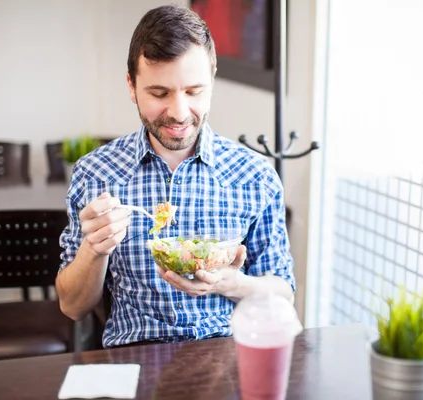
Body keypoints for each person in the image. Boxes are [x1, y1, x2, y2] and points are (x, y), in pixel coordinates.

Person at [55, 4, 295, 348]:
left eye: (194, 91)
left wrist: (230, 283)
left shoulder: (255, 175)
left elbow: (282, 292)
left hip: (226, 352)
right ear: (131, 86)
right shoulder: (96, 173)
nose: (179, 113)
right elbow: (73, 307)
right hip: (135, 354)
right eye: (159, 93)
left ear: (212, 81)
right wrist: (94, 250)